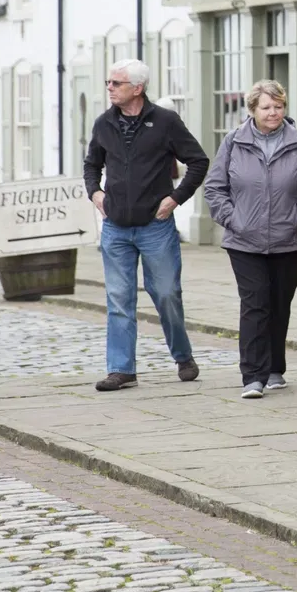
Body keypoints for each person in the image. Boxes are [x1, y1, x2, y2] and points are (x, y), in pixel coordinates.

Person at [84, 59, 210, 392]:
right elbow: (91, 165)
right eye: (109, 82)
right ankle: (121, 369)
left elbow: (198, 161)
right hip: (116, 228)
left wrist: (175, 199)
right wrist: (95, 193)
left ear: (137, 88)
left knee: (167, 293)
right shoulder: (103, 124)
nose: (109, 87)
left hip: (156, 227)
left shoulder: (166, 122)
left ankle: (183, 356)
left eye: (116, 83)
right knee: (119, 299)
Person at [204, 80, 297, 400]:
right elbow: (214, 188)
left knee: (279, 304)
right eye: (266, 107)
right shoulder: (233, 142)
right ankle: (252, 376)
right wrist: (233, 220)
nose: (273, 113)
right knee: (255, 302)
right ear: (252, 110)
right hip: (244, 240)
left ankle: (274, 369)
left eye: (279, 106)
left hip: (286, 239)